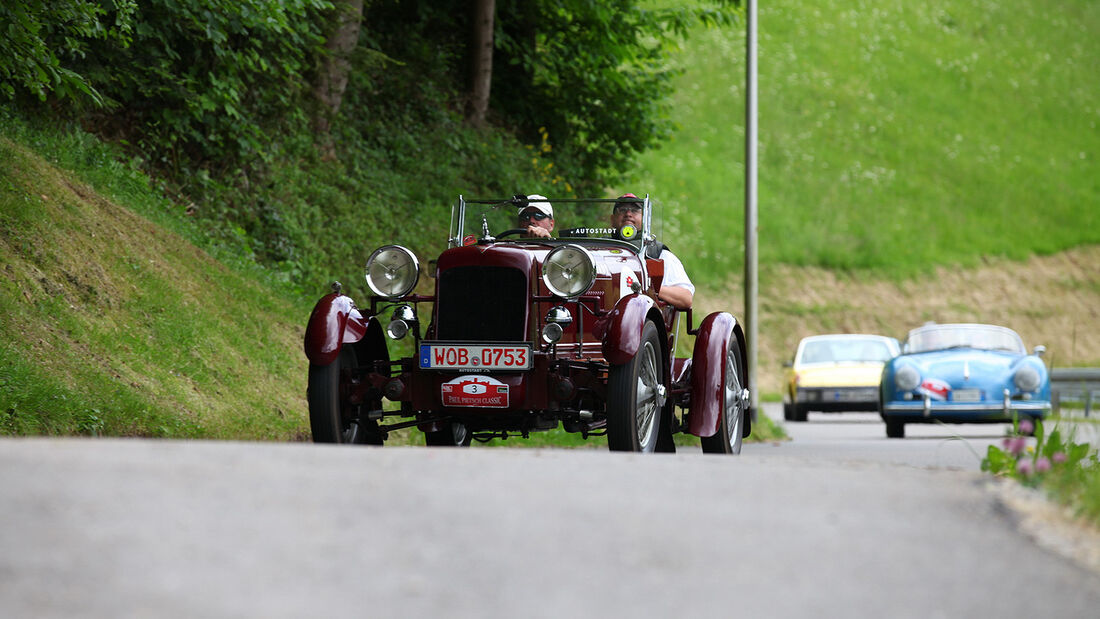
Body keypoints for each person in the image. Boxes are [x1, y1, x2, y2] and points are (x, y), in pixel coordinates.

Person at [611, 193, 694, 309]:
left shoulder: (658, 254)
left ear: (644, 219)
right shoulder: (598, 251)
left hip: (646, 321)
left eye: (634, 210)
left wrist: (645, 287)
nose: (628, 214)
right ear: (612, 219)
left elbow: (685, 298)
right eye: (622, 210)